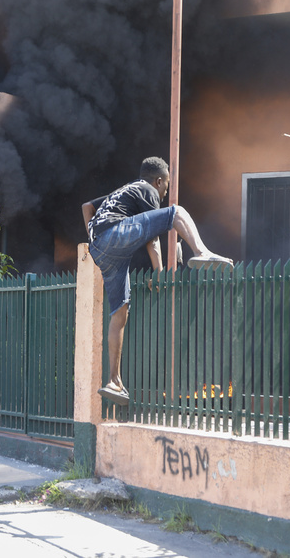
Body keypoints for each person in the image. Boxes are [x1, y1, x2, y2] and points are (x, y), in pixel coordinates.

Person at [82, 156, 232, 406]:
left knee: (120, 312)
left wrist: (94, 235)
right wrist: (160, 274)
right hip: (113, 236)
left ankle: (114, 381)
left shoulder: (120, 192)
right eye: (166, 186)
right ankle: (202, 252)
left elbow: (87, 206)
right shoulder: (147, 189)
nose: (163, 192)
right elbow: (152, 239)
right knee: (177, 212)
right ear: (159, 180)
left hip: (99, 249)